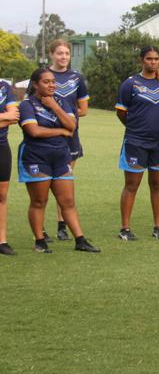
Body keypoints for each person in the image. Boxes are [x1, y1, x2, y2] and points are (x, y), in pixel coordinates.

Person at [18, 68, 99, 253]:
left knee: (68, 201)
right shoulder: (27, 105)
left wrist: (55, 106)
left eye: (53, 81)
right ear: (36, 84)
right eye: (46, 82)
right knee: (39, 201)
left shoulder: (62, 102)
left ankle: (80, 240)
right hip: (36, 157)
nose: (52, 85)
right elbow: (34, 131)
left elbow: (72, 125)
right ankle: (40, 241)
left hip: (60, 156)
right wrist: (61, 131)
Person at [116, 46, 159, 241]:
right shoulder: (130, 84)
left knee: (157, 184)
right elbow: (121, 112)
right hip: (136, 141)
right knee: (132, 184)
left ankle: (158, 227)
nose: (153, 62)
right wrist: (136, 128)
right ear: (142, 60)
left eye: (156, 59)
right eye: (149, 59)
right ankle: (125, 228)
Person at [48, 39, 90, 242]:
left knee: (63, 181)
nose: (63, 57)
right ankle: (40, 228)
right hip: (46, 135)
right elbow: (30, 104)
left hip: (70, 136)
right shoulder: (43, 76)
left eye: (66, 53)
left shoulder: (77, 78)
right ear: (51, 55)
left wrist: (65, 117)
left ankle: (61, 225)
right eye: (59, 53)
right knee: (43, 182)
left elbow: (83, 110)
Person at [0, 79, 19, 255]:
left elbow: (14, 116)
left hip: (1, 147)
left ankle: (2, 240)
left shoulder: (4, 86)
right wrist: (4, 117)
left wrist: (6, 118)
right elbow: (8, 116)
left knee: (2, 195)